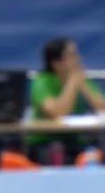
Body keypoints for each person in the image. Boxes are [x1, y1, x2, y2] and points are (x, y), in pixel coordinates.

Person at [27, 37, 105, 165]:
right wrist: (72, 83)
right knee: (56, 151)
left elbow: (102, 107)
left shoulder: (80, 78)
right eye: (71, 55)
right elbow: (57, 112)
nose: (77, 59)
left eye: (76, 54)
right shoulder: (42, 81)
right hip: (46, 143)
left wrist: (83, 86)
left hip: (76, 142)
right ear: (56, 62)